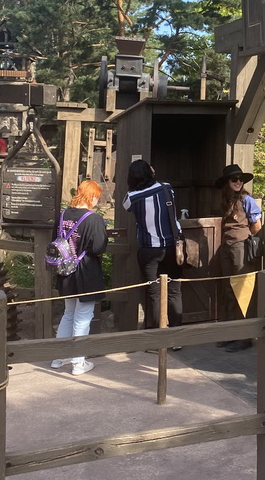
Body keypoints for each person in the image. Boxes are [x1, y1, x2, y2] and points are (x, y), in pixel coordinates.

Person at [51, 179, 108, 375]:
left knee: (68, 314)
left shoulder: (62, 215)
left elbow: (55, 240)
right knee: (83, 317)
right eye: (97, 198)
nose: (97, 202)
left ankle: (58, 358)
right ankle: (78, 363)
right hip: (86, 271)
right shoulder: (94, 219)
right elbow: (99, 247)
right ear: (91, 196)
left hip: (65, 270)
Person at [122, 159, 183, 342]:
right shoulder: (166, 188)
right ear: (151, 171)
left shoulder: (131, 198)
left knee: (155, 295)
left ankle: (158, 338)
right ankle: (176, 337)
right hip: (172, 248)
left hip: (149, 251)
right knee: (174, 291)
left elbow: (126, 207)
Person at [215, 163, 263, 352]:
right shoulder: (226, 200)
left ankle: (244, 336)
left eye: (240, 179)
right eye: (234, 179)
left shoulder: (246, 200)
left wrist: (245, 238)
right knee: (228, 290)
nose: (238, 182)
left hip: (240, 248)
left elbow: (257, 225)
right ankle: (229, 333)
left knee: (242, 290)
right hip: (227, 247)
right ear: (227, 182)